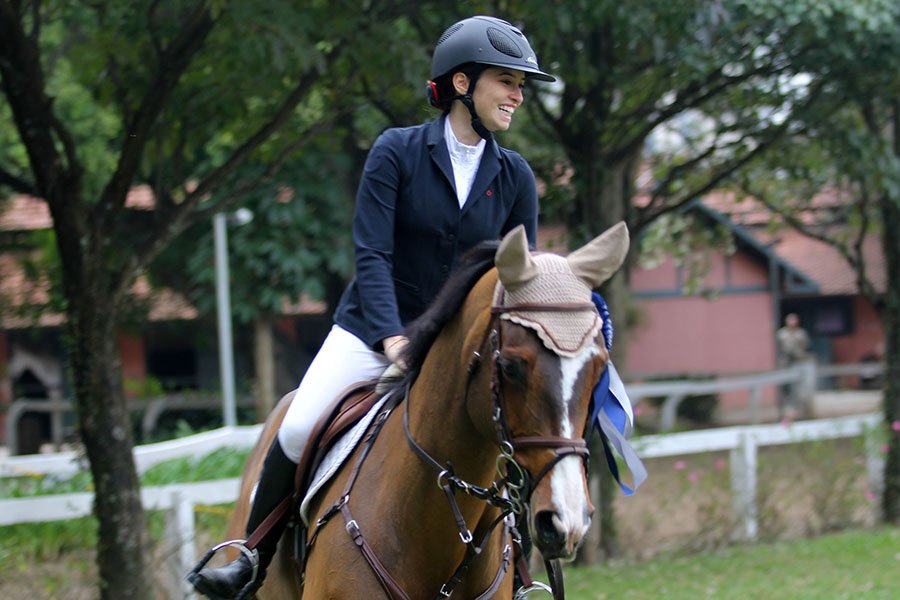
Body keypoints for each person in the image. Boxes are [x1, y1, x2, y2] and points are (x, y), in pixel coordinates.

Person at [188, 15, 554, 599]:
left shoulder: (515, 178)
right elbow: (371, 255)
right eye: (506, 81)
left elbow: (519, 279)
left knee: (516, 436)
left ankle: (522, 574)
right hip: (371, 333)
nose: (517, 95)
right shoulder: (397, 152)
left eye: (520, 85)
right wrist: (391, 338)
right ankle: (249, 557)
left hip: (461, 351)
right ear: (462, 84)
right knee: (300, 424)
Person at [776, 312, 811, 418]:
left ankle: (800, 409)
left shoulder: (800, 333)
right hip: (785, 363)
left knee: (800, 387)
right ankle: (786, 408)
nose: (792, 323)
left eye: (794, 321)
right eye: (790, 320)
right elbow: (778, 347)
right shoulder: (781, 333)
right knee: (785, 387)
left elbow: (805, 346)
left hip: (798, 362)